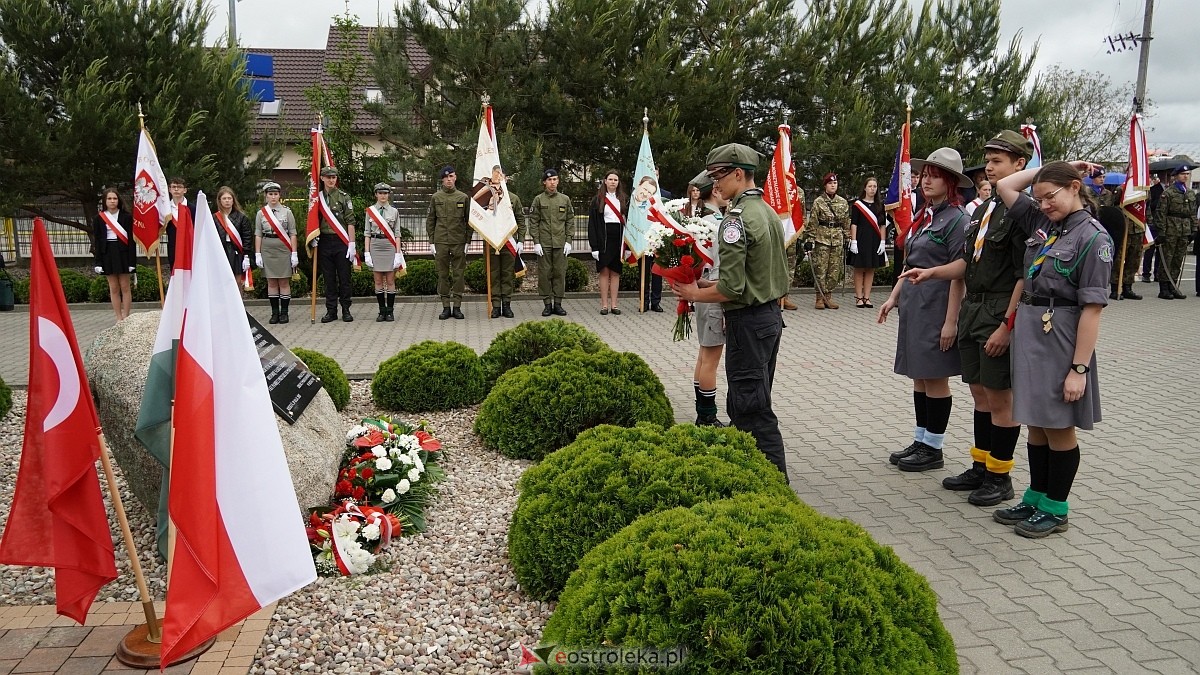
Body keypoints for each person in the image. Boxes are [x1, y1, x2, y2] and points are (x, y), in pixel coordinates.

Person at [899, 131, 1032, 506]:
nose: (989, 168)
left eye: (998, 162)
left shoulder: (1022, 212)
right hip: (976, 309)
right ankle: (981, 466)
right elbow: (966, 263)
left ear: (1020, 165)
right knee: (979, 393)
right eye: (987, 161)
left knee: (1000, 398)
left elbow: (1025, 273)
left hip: (998, 310)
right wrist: (932, 273)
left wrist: (1008, 324)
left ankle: (1000, 475)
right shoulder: (986, 209)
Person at [991, 160, 1112, 538]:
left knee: (1058, 425)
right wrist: (1048, 169)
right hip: (1031, 329)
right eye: (1039, 198)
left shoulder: (1094, 238)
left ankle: (1056, 508)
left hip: (1061, 333)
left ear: (1076, 188)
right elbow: (1006, 186)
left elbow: (1092, 309)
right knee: (1036, 423)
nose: (1043, 204)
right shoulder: (1044, 225)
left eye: (1050, 196)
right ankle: (1036, 496)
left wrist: (1079, 369)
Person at [669, 143, 790, 478]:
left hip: (748, 323)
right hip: (768, 318)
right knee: (753, 398)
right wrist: (706, 286)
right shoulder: (766, 212)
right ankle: (754, 475)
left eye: (719, 175)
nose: (714, 183)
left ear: (739, 174)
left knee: (750, 408)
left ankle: (775, 483)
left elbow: (732, 288)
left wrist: (695, 292)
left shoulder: (735, 221)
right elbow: (760, 275)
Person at [877, 148, 969, 473]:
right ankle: (921, 439)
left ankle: (934, 447)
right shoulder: (925, 215)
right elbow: (911, 263)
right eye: (924, 175)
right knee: (918, 376)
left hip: (938, 305)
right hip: (915, 305)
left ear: (951, 182)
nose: (925, 180)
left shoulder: (958, 219)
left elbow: (962, 270)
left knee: (934, 377)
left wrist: (951, 322)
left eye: (934, 175)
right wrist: (893, 298)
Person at [686, 170, 729, 426]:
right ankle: (706, 415)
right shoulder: (718, 222)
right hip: (713, 289)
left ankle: (702, 410)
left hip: (702, 289)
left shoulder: (700, 219)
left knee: (704, 354)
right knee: (711, 359)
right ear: (714, 190)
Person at [427, 165, 471, 320]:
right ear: (442, 180)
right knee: (443, 275)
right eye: (445, 177)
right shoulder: (436, 197)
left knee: (459, 274)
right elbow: (431, 220)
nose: (448, 180)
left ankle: (457, 306)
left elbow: (468, 221)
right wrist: (431, 241)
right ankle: (446, 307)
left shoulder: (463, 197)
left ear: (455, 177)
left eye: (451, 176)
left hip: (458, 241)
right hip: (441, 241)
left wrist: (468, 241)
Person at [314, 166, 357, 322]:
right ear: (322, 178)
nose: (331, 180)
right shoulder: (316, 198)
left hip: (341, 241)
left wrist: (351, 244)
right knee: (328, 278)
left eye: (334, 177)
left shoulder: (343, 197)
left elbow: (350, 221)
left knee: (344, 277)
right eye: (328, 177)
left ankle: (346, 309)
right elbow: (313, 221)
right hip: (324, 241)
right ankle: (331, 311)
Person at [803, 172, 850, 309]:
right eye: (830, 183)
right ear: (825, 186)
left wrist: (849, 238)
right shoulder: (819, 202)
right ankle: (819, 297)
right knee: (820, 269)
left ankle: (828, 296)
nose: (833, 185)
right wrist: (809, 240)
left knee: (834, 270)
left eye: (835, 183)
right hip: (822, 238)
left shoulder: (842, 202)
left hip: (837, 238)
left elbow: (846, 222)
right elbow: (813, 222)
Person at [531, 168, 574, 316]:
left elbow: (569, 220)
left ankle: (558, 304)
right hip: (544, 244)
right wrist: (536, 241)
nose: (552, 182)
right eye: (549, 180)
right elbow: (534, 222)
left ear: (558, 181)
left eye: (555, 179)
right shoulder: (538, 199)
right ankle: (547, 304)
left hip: (560, 243)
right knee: (544, 274)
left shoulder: (565, 199)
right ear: (544, 182)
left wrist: (569, 240)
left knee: (560, 273)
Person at [254, 182, 299, 324]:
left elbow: (293, 233)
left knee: (284, 281)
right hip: (267, 248)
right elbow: (258, 234)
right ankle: (274, 313)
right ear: (266, 196)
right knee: (271, 281)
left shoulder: (287, 212)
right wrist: (257, 253)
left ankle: (284, 313)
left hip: (283, 248)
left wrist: (294, 253)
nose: (273, 197)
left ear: (279, 195)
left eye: (275, 194)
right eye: (270, 194)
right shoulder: (261, 213)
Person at [92, 188, 137, 321]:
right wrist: (98, 262)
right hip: (108, 253)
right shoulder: (99, 218)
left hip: (123, 252)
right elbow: (98, 241)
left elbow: (131, 241)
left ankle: (126, 316)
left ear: (119, 200)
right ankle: (118, 317)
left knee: (125, 286)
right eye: (109, 199)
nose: (112, 201)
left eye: (115, 198)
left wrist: (131, 262)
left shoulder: (127, 217)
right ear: (105, 201)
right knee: (114, 287)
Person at [587, 169, 627, 315]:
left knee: (615, 272)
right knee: (604, 272)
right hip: (603, 240)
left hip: (618, 240)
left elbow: (627, 222)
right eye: (610, 179)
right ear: (605, 181)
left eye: (615, 180)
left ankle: (614, 305)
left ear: (618, 182)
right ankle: (604, 305)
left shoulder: (623, 199)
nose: (613, 182)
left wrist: (627, 246)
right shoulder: (597, 199)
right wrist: (594, 246)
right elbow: (592, 225)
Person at [364, 183, 403, 322]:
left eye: (385, 193)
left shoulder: (394, 212)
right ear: (376, 194)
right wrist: (367, 252)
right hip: (375, 245)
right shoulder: (370, 211)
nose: (383, 196)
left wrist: (398, 253)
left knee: (391, 280)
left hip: (389, 245)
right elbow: (367, 233)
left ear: (388, 195)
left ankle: (390, 311)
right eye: (380, 193)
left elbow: (397, 234)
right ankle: (381, 311)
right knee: (378, 280)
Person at [1155, 165, 1195, 299]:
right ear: (1176, 176)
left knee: (1178, 259)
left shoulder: (1189, 193)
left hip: (1184, 230)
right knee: (1167, 258)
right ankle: (1164, 288)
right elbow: (1161, 213)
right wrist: (1161, 231)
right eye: (1182, 174)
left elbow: (1192, 213)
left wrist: (1193, 229)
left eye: (1187, 174)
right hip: (1170, 229)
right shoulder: (1168, 193)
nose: (1185, 176)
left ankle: (1173, 285)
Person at [488, 172, 523, 318]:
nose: (499, 180)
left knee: (507, 274)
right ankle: (496, 306)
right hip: (492, 242)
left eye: (501, 177)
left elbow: (520, 220)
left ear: (506, 179)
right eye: (496, 178)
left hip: (508, 242)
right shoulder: (486, 198)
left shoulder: (513, 198)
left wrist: (520, 240)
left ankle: (506, 305)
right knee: (494, 274)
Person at [848, 176, 887, 308]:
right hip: (860, 239)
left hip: (874, 239)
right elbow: (854, 224)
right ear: (865, 188)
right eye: (870, 186)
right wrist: (853, 241)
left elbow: (882, 225)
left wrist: (882, 241)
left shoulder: (880, 206)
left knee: (871, 268)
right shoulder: (858, 205)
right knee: (859, 268)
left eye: (874, 186)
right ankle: (858, 297)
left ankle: (867, 297)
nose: (872, 189)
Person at [1107, 182, 1144, 300]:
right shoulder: (1121, 189)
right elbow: (1113, 206)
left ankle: (1128, 287)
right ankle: (1115, 289)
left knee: (1134, 259)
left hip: (1137, 229)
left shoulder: (1143, 189)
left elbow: (1145, 208)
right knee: (1118, 260)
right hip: (1123, 227)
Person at [632, 175, 664, 312]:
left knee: (657, 273)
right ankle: (643, 302)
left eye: (656, 174)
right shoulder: (635, 195)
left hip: (657, 240)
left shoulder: (664, 195)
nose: (655, 176)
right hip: (642, 240)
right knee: (643, 273)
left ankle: (656, 302)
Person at [214, 186, 253, 289]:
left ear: (233, 200)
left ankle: (238, 305)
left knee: (237, 282)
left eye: (229, 198)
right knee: (222, 283)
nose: (227, 201)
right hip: (221, 252)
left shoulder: (242, 217)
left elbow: (247, 237)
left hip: (237, 252)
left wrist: (246, 256)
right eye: (224, 198)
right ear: (220, 201)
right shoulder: (214, 218)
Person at [165, 177, 192, 273]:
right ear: (169, 189)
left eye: (179, 187)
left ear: (185, 190)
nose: (176, 189)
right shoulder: (165, 209)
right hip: (173, 247)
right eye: (173, 187)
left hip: (190, 248)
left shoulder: (193, 208)